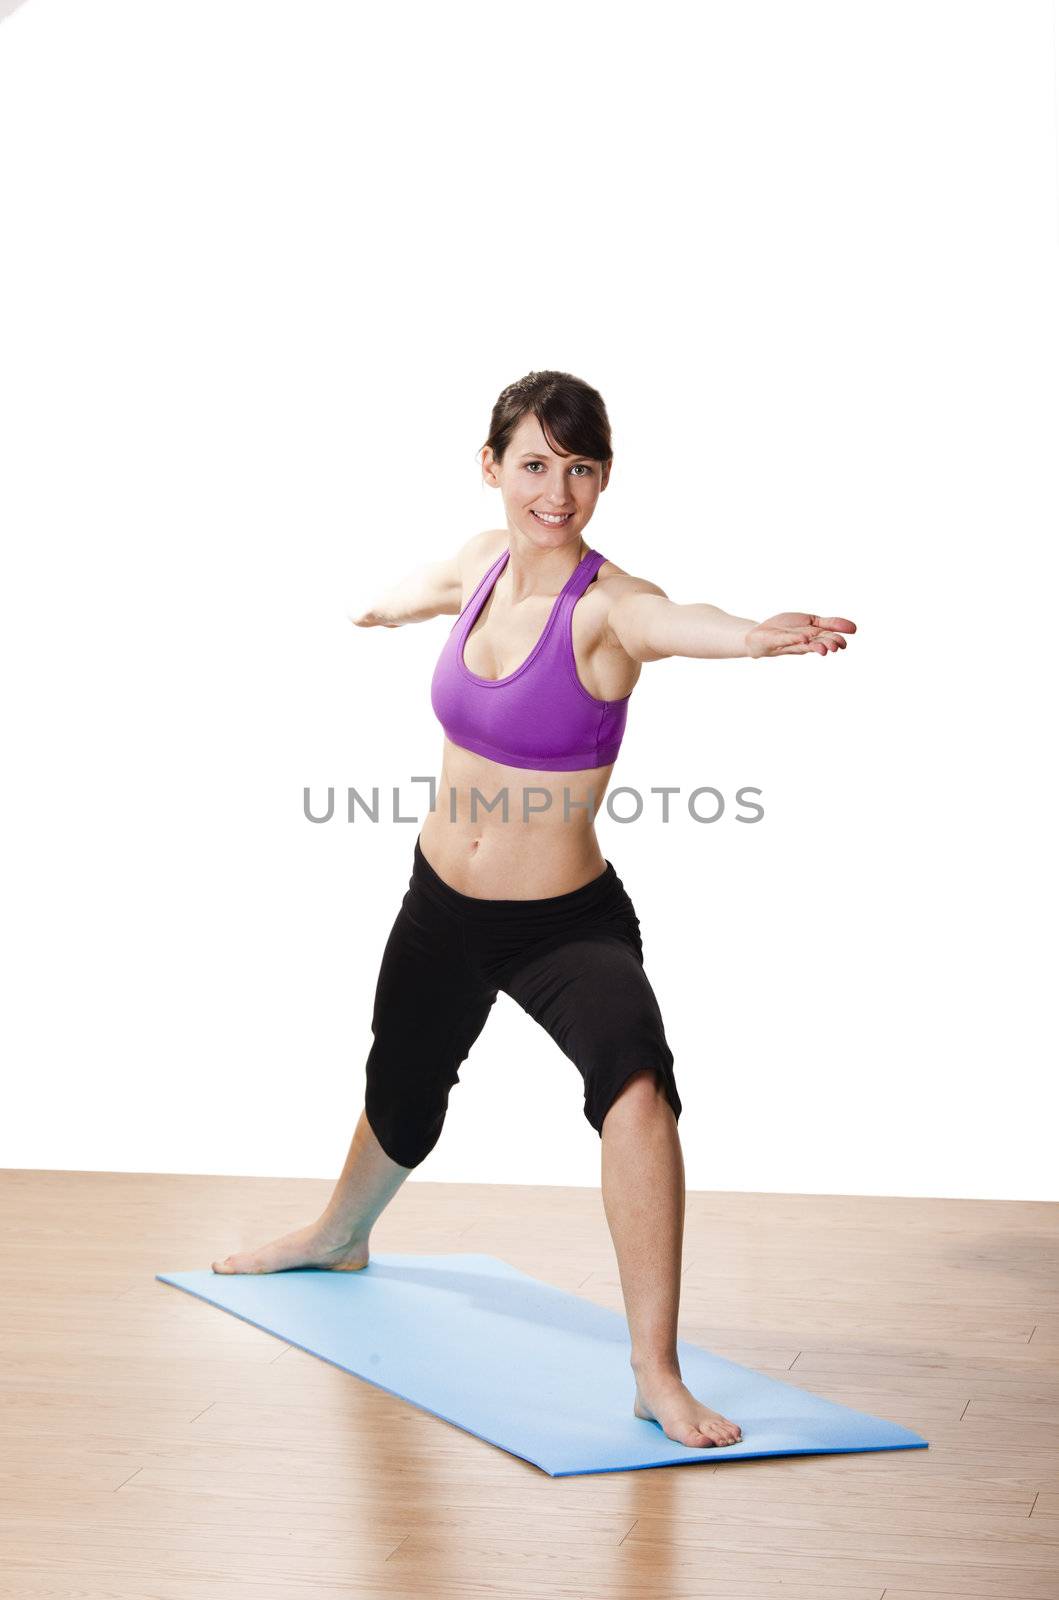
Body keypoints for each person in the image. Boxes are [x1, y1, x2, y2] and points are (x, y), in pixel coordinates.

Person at [213, 370, 856, 1450]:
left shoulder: (607, 607)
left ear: (603, 476)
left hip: (563, 922)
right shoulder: (478, 566)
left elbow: (673, 620)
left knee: (637, 1084)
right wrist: (375, 607)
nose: (557, 490)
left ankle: (656, 1371)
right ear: (494, 466)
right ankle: (338, 1234)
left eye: (581, 467)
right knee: (403, 1089)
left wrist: (753, 635)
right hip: (439, 901)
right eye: (535, 464)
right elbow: (426, 584)